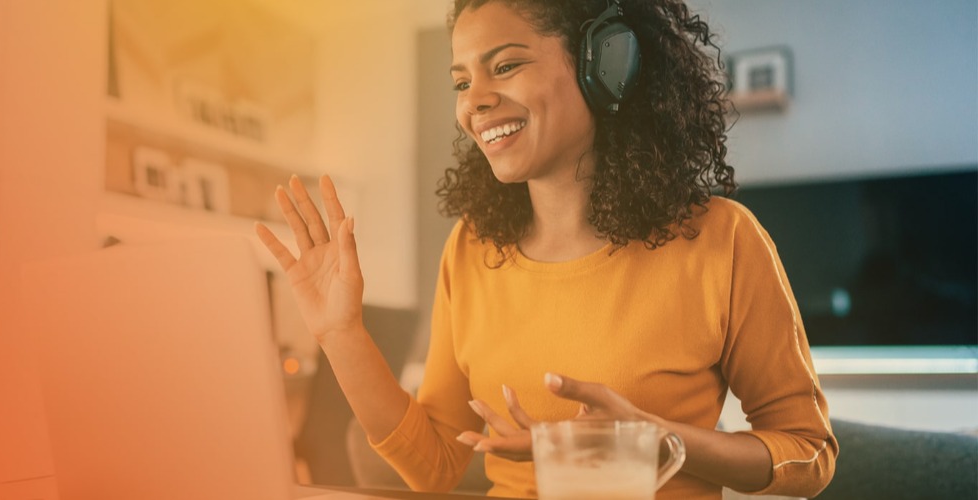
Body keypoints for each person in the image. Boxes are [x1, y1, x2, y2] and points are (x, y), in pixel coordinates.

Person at [255, 0, 838, 498]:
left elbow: (809, 455)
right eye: (461, 82)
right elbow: (434, 466)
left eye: (504, 66)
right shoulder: (472, 249)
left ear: (605, 67)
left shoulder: (721, 239)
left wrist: (655, 438)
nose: (474, 103)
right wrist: (341, 335)